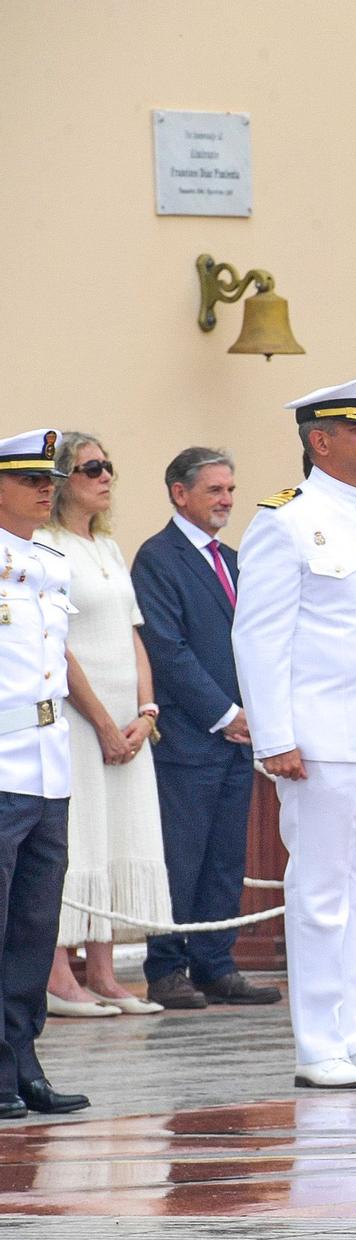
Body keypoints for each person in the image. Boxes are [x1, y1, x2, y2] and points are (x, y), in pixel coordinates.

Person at [233, 377, 356, 1090]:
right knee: (320, 891)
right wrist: (276, 736)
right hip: (320, 737)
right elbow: (260, 638)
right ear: (320, 441)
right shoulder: (285, 520)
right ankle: (318, 1041)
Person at [133, 447, 279, 1011]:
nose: (227, 500)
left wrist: (257, 712)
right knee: (181, 857)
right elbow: (167, 650)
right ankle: (167, 968)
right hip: (191, 739)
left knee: (224, 859)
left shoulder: (236, 561)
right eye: (215, 490)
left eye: (231, 490)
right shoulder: (158, 559)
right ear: (180, 493)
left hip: (238, 740)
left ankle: (216, 962)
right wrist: (225, 714)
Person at [39, 433, 172, 1018]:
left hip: (127, 720)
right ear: (64, 477)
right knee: (81, 837)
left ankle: (104, 972)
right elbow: (57, 646)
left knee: (121, 836)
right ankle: (57, 975)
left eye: (109, 466)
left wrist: (145, 712)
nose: (105, 475)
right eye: (92, 467)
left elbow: (132, 634)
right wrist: (101, 723)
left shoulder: (110, 548)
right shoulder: (46, 546)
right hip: (77, 718)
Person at [0, 428, 91, 1116]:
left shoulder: (49, 563)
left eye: (49, 479)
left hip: (47, 764)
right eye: (30, 478)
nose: (46, 488)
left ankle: (21, 1057)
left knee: (34, 922)